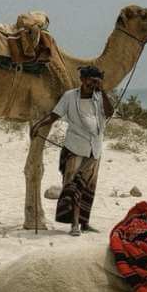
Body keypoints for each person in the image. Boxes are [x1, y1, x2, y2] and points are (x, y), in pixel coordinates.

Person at [30, 65, 113, 236]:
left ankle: (85, 223)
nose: (93, 84)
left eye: (96, 81)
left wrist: (102, 91)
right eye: (91, 80)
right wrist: (39, 124)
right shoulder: (70, 96)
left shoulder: (99, 98)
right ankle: (74, 224)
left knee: (89, 187)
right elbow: (55, 115)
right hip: (75, 147)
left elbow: (109, 112)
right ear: (82, 79)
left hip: (94, 149)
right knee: (73, 185)